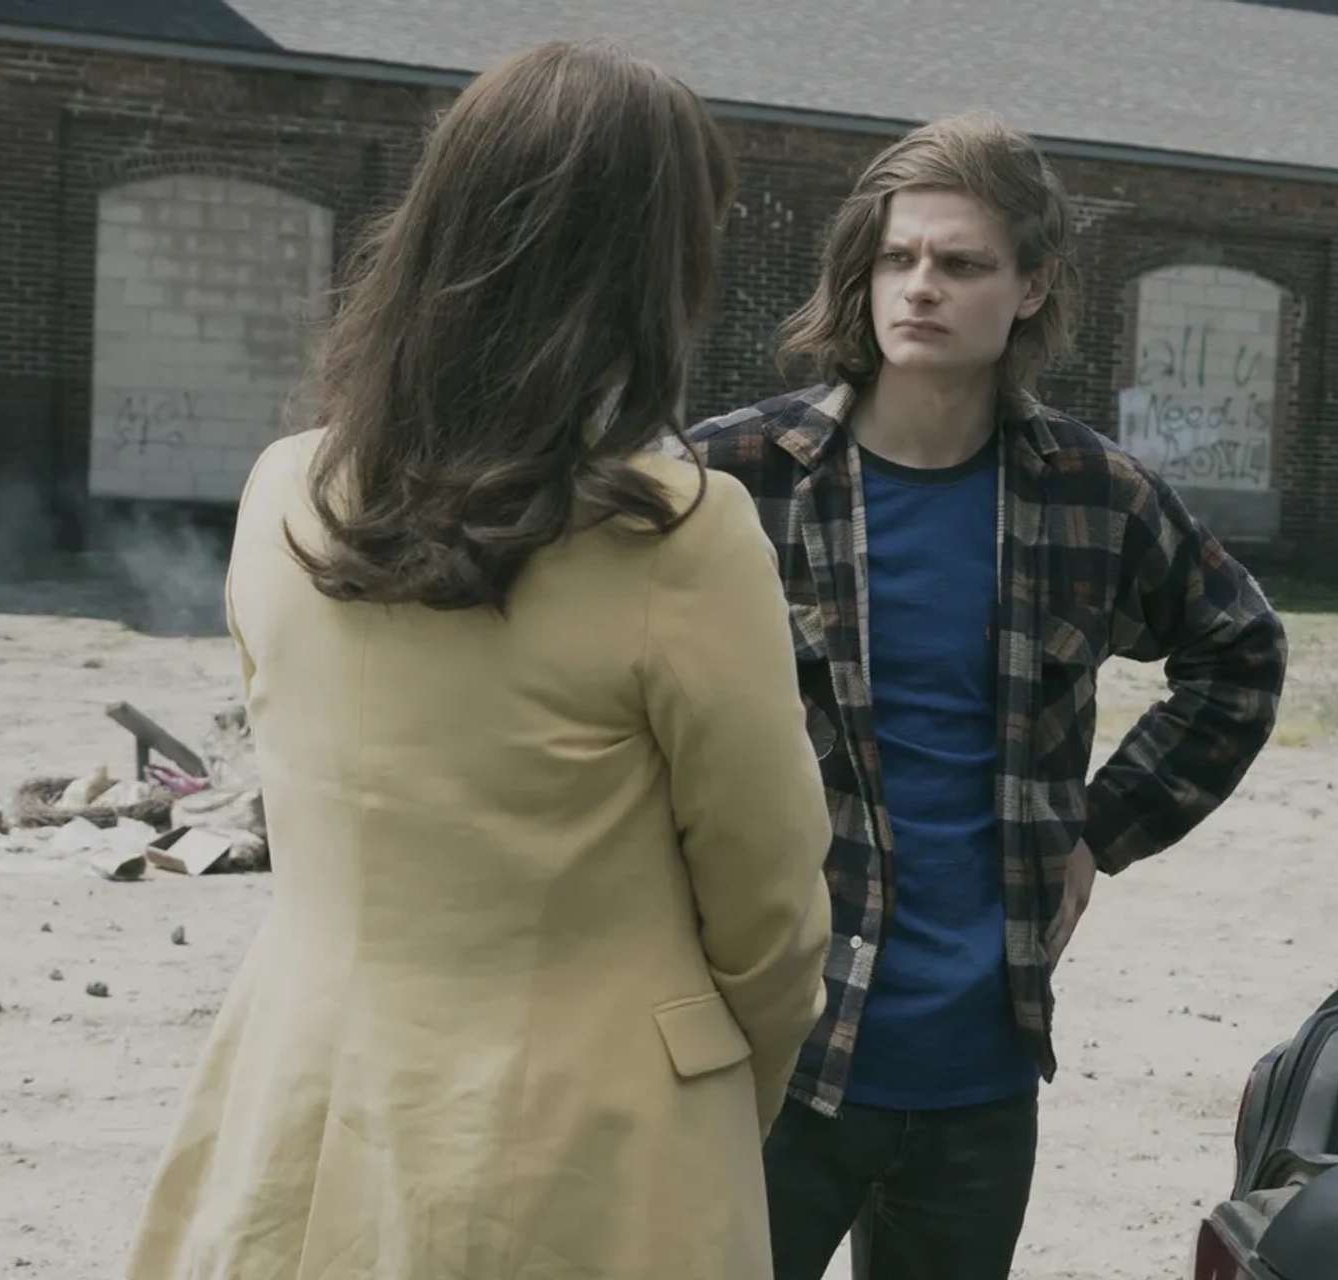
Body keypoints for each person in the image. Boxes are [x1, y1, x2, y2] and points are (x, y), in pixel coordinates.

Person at [124, 41, 834, 1280]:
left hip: (303, 1106)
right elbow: (769, 910)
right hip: (591, 1149)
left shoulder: (284, 491)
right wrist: (723, 1093)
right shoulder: (677, 534)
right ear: (647, 266)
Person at [674, 113, 1290, 1279]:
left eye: (960, 263)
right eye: (897, 258)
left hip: (981, 1072)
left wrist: (1103, 829)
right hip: (770, 1054)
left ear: (1030, 287)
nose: (919, 287)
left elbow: (1241, 651)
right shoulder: (729, 479)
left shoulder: (1091, 494)